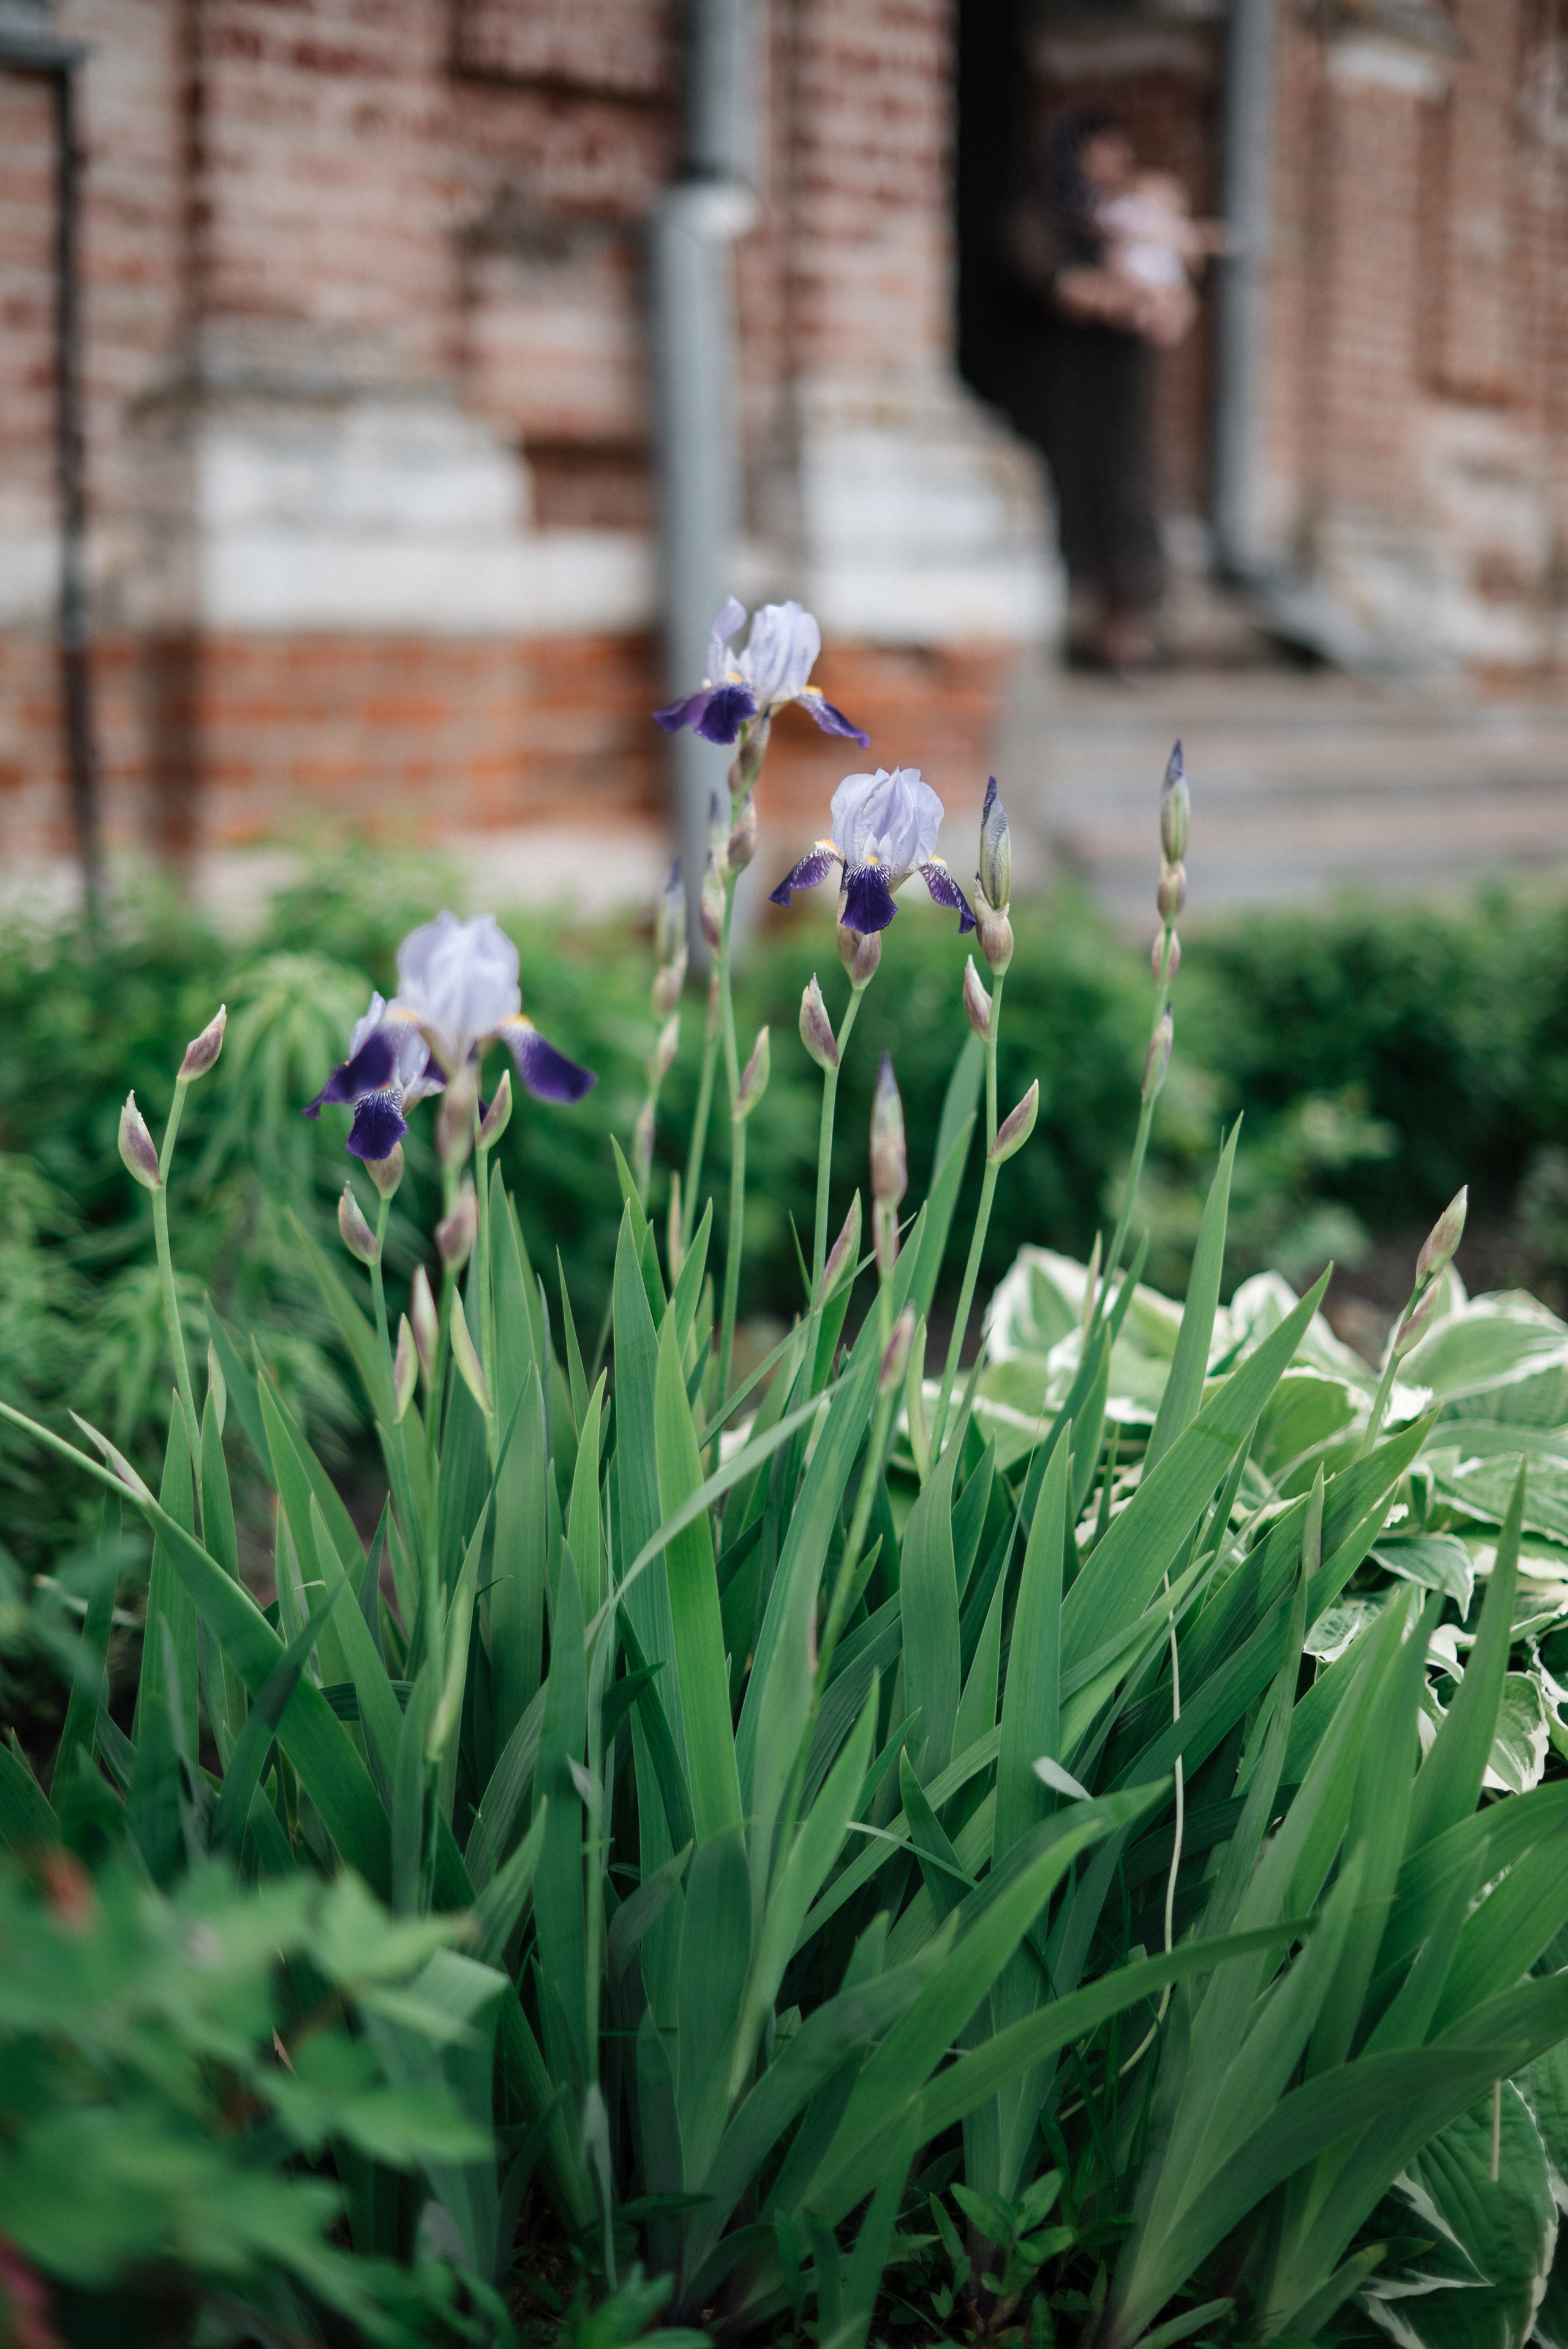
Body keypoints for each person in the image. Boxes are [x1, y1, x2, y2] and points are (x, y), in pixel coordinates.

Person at [1003, 108, 1205, 672]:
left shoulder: (1132, 224)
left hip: (1121, 394)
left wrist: (1158, 285)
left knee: (1126, 504)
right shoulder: (1041, 218)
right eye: (1099, 153)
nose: (1110, 166)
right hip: (1061, 388)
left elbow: (1171, 304)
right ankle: (1058, 633)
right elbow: (1055, 285)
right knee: (1065, 498)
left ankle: (1123, 638)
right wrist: (1119, 296)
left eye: (1118, 155)